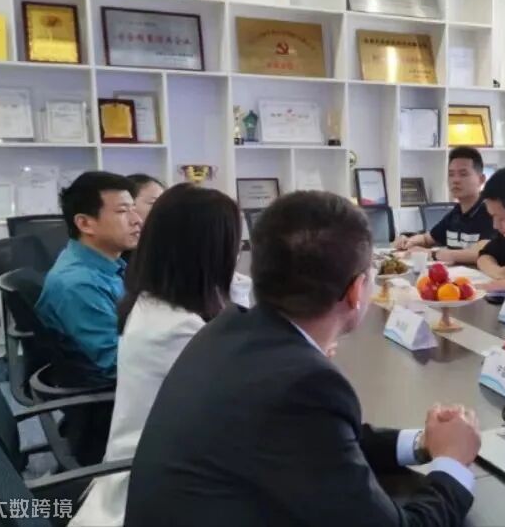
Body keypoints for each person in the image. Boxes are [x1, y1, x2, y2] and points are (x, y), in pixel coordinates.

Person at [125, 191, 481, 527]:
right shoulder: (303, 384)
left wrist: (422, 442)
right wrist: (452, 463)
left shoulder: (228, 330)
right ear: (357, 291)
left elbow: (325, 442)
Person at [71, 184, 240, 527]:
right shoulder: (179, 328)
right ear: (212, 251)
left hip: (157, 466)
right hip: (155, 492)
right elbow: (241, 408)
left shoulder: (154, 301)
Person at [35, 171, 141, 385]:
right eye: (122, 211)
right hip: (114, 393)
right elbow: (117, 364)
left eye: (134, 209)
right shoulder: (78, 284)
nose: (137, 220)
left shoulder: (107, 266)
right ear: (85, 224)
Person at [392, 147, 495, 265]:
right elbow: (427, 239)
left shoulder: (491, 211)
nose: (455, 180)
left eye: (463, 174)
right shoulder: (456, 213)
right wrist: (409, 241)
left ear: (481, 180)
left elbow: (481, 252)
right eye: (451, 174)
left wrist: (432, 254)